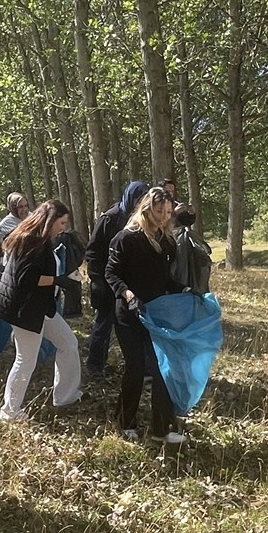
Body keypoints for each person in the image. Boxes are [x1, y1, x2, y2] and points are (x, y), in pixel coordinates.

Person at [106, 186, 190, 444]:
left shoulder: (167, 241)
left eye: (168, 212)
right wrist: (128, 294)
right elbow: (111, 273)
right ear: (146, 209)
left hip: (157, 315)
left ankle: (161, 429)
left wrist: (184, 289)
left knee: (163, 369)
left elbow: (163, 279)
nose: (164, 217)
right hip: (129, 314)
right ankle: (125, 421)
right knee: (135, 368)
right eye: (159, 211)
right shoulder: (126, 238)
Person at [0, 200, 83, 422]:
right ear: (50, 220)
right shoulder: (31, 241)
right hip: (24, 310)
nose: (63, 227)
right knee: (26, 359)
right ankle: (9, 412)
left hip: (40, 306)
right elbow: (26, 279)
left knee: (68, 343)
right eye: (61, 223)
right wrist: (60, 280)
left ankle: (66, 396)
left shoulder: (40, 239)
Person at [83, 181, 148, 377]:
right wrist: (98, 280)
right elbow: (93, 252)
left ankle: (140, 366)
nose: (141, 203)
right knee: (104, 325)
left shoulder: (140, 218)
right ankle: (95, 366)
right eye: (139, 199)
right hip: (106, 282)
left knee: (136, 325)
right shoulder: (110, 218)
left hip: (127, 284)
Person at [170, 204, 212, 293]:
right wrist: (173, 214)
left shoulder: (174, 201)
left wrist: (191, 214)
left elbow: (185, 221)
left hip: (184, 243)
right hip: (173, 242)